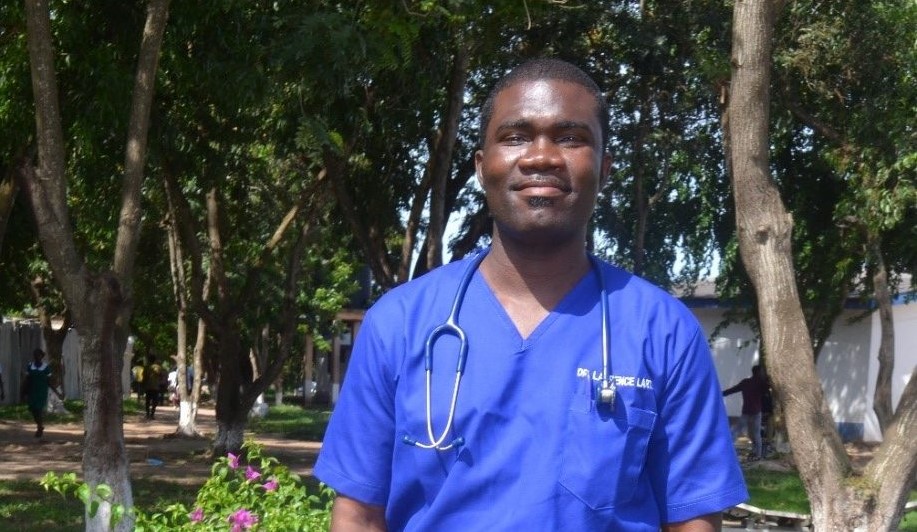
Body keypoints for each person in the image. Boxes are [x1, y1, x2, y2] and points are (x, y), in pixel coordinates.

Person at [314, 58, 747, 530]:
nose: (541, 157)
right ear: (482, 167)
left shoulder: (664, 331)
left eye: (570, 138)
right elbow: (359, 515)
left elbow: (692, 520)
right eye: (516, 136)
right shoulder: (398, 323)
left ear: (604, 170)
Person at [722, 364, 768, 460]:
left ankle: (726, 449)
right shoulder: (762, 384)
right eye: (762, 372)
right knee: (755, 434)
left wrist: (721, 394)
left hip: (747, 412)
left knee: (736, 431)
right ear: (759, 372)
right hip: (756, 412)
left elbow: (733, 390)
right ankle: (758, 455)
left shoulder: (746, 382)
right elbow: (768, 392)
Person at [23, 348, 52, 437]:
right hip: (32, 391)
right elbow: (27, 380)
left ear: (42, 356)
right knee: (33, 409)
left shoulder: (46, 367)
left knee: (38, 409)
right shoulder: (30, 366)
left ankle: (39, 427)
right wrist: (24, 392)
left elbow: (49, 381)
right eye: (35, 355)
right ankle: (39, 424)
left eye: (38, 355)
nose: (36, 357)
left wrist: (57, 392)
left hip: (41, 391)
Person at [142, 355, 163, 419]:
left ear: (149, 360)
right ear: (155, 360)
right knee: (155, 401)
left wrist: (143, 384)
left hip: (148, 386)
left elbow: (144, 376)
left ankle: (147, 414)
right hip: (155, 387)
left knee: (147, 401)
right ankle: (152, 414)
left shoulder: (146, 367)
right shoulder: (158, 367)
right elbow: (161, 376)